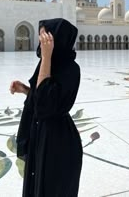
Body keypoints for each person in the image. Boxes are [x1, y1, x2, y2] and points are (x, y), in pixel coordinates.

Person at [10, 18, 83, 197]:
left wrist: (47, 57)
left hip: (58, 142)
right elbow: (41, 98)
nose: (42, 42)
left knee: (51, 188)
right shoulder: (48, 63)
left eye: (46, 37)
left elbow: (46, 104)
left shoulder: (71, 69)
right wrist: (26, 90)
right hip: (40, 135)